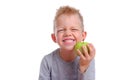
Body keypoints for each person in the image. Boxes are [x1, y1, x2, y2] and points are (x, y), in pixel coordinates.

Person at [39, 5, 96, 80]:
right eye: (61, 30)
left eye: (74, 29)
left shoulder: (87, 59)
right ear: (54, 37)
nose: (67, 33)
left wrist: (83, 67)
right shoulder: (47, 61)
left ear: (83, 35)